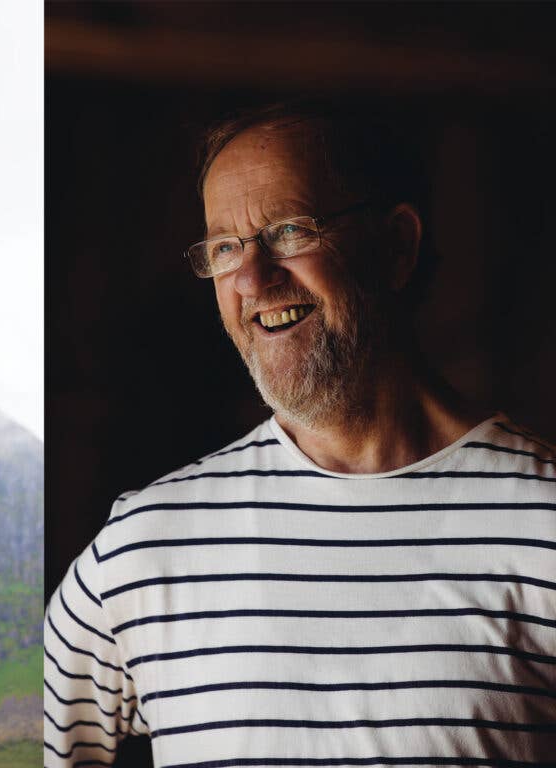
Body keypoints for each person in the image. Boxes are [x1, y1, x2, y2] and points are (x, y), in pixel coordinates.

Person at [44, 99, 556, 767]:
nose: (252, 279)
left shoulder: (541, 523)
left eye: (290, 229)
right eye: (225, 247)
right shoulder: (144, 547)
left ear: (396, 246)